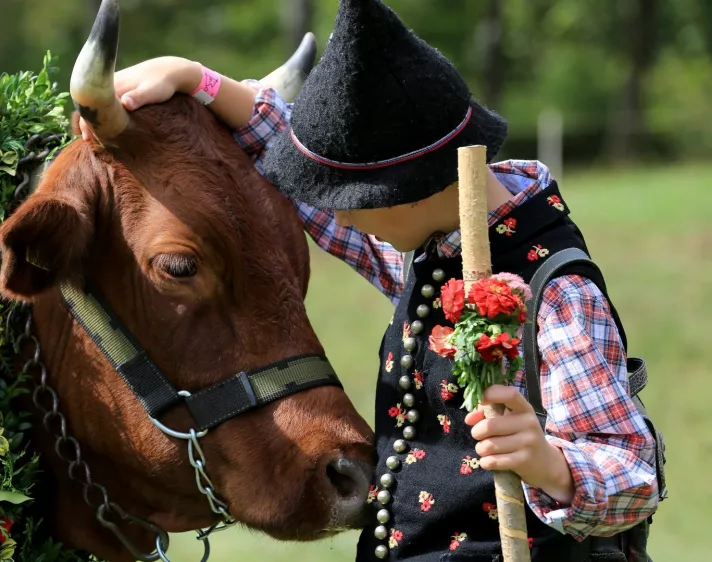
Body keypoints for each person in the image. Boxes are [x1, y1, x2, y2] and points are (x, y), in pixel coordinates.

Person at [79, 1, 660, 559]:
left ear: (408, 190)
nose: (339, 217)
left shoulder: (556, 294)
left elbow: (633, 473)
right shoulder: (429, 243)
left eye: (349, 200)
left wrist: (550, 465)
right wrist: (199, 80)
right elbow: (293, 162)